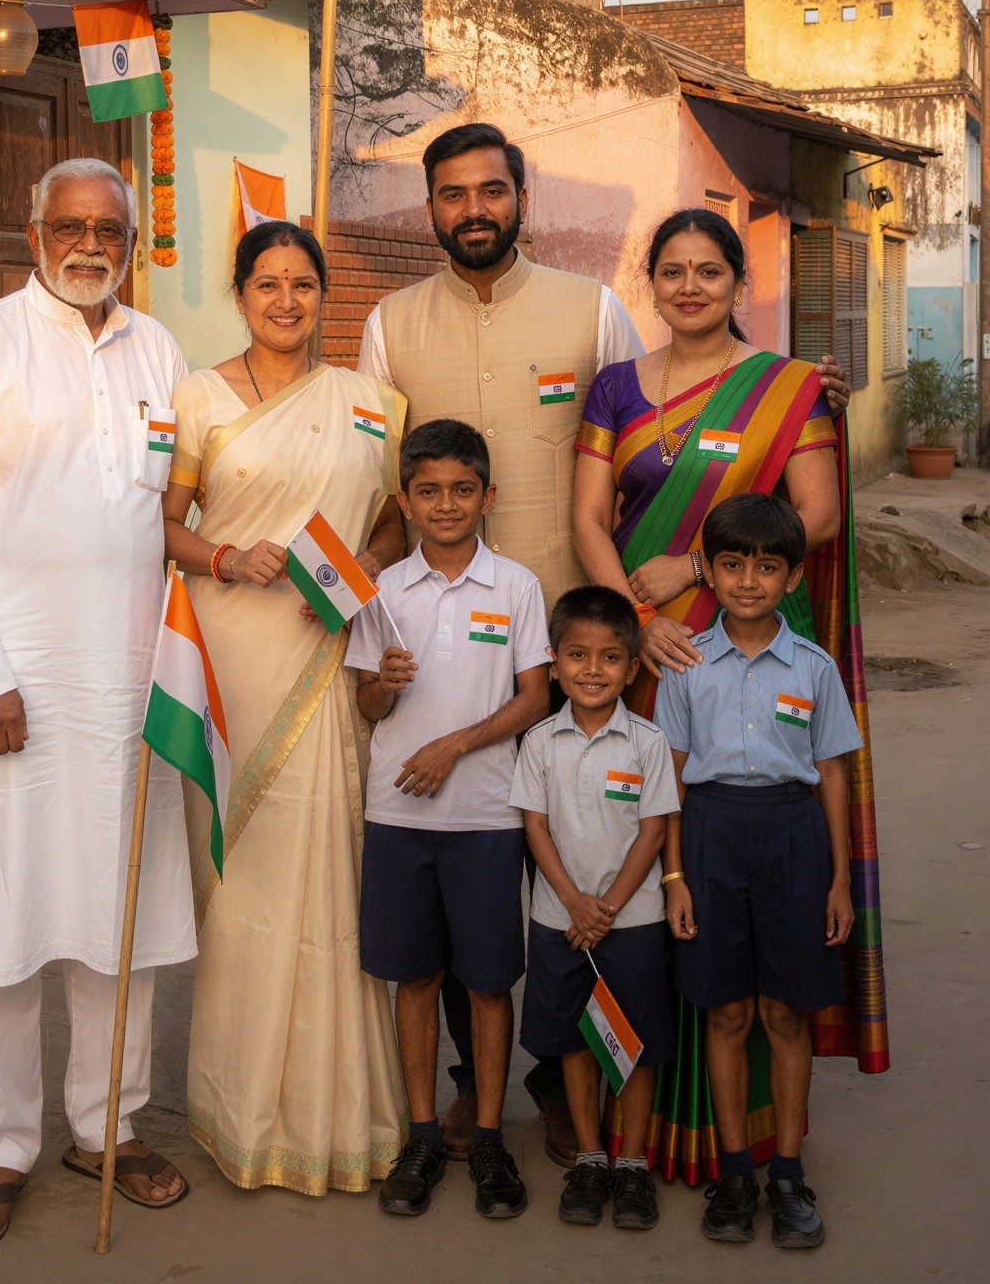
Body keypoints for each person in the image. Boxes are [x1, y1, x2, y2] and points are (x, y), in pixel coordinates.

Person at [357, 123, 849, 1163]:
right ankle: (476, 1086)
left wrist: (804, 399)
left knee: (596, 846)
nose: (475, 209)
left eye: (493, 190)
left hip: (596, 643)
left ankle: (594, 1087)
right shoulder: (391, 327)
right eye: (453, 195)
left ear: (521, 198)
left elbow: (671, 427)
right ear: (431, 209)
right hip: (458, 641)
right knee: (476, 861)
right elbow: (379, 486)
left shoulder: (592, 311)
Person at [0, 157, 192, 1247]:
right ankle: (2, 1145)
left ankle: (106, 1126)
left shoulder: (156, 350)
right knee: (6, 919)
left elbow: (170, 506)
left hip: (123, 688)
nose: (88, 244)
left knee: (117, 917)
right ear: (32, 235)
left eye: (107, 228)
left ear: (130, 240)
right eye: (68, 225)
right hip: (10, 694)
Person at [570, 205, 886, 1189]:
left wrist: (692, 580)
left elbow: (817, 515)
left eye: (711, 270)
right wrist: (636, 616)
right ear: (651, 283)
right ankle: (632, 1128)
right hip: (643, 659)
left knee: (726, 874)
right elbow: (588, 519)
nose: (692, 286)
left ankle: (752, 1148)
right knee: (634, 861)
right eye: (673, 271)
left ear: (738, 282)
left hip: (726, 645)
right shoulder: (615, 389)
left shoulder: (786, 389)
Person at [159, 220, 405, 1196]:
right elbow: (162, 525)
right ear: (240, 291)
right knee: (244, 889)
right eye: (269, 284)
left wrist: (357, 572)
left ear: (324, 293)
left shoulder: (370, 403)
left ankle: (340, 1113)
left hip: (323, 647)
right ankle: (238, 1109)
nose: (288, 301)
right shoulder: (198, 397)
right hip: (230, 663)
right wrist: (226, 556)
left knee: (330, 877)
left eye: (305, 284)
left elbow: (391, 514)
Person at [347, 418, 552, 1221]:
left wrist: (455, 745)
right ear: (406, 498)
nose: (445, 505)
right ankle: (424, 1133)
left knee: (490, 980)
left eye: (462, 490)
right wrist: (387, 686)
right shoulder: (384, 593)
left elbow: (535, 695)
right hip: (399, 815)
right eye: (427, 491)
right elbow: (366, 702)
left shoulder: (517, 587)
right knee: (416, 977)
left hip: (486, 815)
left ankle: (493, 1135)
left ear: (488, 497)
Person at [656, 494, 863, 1251]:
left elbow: (833, 775)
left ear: (793, 578)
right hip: (710, 834)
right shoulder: (685, 664)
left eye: (767, 566)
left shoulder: (813, 668)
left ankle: (786, 1172)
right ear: (708, 570)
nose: (748, 581)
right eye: (733, 564)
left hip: (791, 835)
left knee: (784, 1013)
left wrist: (840, 880)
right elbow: (668, 782)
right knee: (726, 1014)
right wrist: (674, 876)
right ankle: (735, 1174)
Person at [510, 585, 681, 1234]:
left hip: (632, 922)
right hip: (560, 922)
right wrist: (576, 904)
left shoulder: (646, 742)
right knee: (580, 1041)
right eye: (577, 655)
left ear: (632, 669)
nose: (591, 669)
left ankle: (631, 1163)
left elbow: (654, 831)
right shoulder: (540, 744)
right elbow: (535, 829)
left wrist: (606, 906)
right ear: (552, 664)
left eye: (610, 658)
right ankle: (589, 1156)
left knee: (630, 1044)